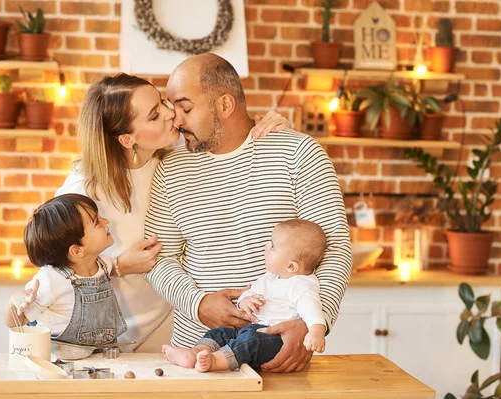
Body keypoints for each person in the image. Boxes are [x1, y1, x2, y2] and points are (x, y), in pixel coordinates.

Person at [144, 53, 353, 372]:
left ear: (225, 106)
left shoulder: (298, 154)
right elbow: (158, 257)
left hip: (277, 353)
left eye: (186, 108)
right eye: (173, 109)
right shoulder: (170, 169)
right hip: (195, 354)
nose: (177, 120)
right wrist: (198, 304)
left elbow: (335, 247)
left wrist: (311, 324)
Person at [54, 73, 291, 352]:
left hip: (169, 328)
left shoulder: (175, 158)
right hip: (106, 334)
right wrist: (118, 265)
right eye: (155, 115)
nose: (171, 114)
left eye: (163, 101)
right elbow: (56, 268)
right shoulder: (83, 189)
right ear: (128, 139)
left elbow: (229, 136)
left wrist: (269, 127)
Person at [162, 219, 328, 372]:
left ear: (291, 266)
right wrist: (245, 301)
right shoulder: (270, 277)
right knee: (221, 333)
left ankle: (215, 361)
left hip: (275, 337)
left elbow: (311, 310)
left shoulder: (302, 286)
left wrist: (315, 331)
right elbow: (249, 292)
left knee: (250, 341)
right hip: (249, 328)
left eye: (272, 247)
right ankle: (195, 352)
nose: (265, 247)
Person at [5, 194, 129, 345]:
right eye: (97, 222)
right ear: (77, 250)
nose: (106, 221)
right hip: (59, 361)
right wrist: (14, 301)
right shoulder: (50, 280)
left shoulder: (103, 265)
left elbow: (117, 265)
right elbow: (16, 322)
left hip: (100, 358)